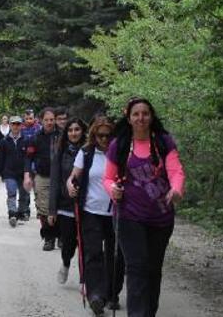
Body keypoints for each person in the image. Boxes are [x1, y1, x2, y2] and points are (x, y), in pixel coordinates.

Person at [104, 98, 185, 317]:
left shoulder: (163, 142)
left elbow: (176, 170)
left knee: (153, 270)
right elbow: (108, 178)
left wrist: (176, 189)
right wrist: (113, 189)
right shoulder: (119, 145)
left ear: (151, 116)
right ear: (128, 118)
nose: (141, 118)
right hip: (129, 215)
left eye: (145, 114)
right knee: (137, 267)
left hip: (161, 217)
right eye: (136, 114)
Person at [67, 116, 125, 315]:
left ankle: (112, 294)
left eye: (108, 136)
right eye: (100, 135)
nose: (104, 139)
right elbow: (74, 176)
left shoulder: (120, 153)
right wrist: (70, 185)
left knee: (115, 255)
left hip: (116, 212)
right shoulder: (86, 153)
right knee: (93, 253)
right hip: (91, 210)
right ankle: (96, 296)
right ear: (94, 135)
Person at [45, 118, 86, 289]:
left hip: (86, 205)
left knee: (87, 245)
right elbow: (54, 182)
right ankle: (66, 263)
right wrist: (52, 210)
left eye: (77, 129)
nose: (74, 133)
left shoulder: (89, 151)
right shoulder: (60, 152)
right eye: (70, 130)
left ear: (83, 131)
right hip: (66, 205)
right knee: (68, 242)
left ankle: (86, 279)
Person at [25, 107, 60, 251]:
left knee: (60, 208)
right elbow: (28, 157)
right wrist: (27, 175)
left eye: (52, 120)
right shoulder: (35, 138)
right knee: (44, 208)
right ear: (41, 121)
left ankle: (61, 236)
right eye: (46, 120)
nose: (49, 122)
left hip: (60, 177)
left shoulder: (62, 135)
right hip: (42, 176)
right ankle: (49, 238)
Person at [0, 115, 30, 227]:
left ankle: (22, 211)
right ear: (10, 125)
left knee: (24, 194)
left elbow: (29, 157)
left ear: (21, 126)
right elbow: (0, 158)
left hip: (23, 172)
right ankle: (12, 214)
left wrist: (29, 172)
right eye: (13, 124)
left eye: (18, 124)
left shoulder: (26, 140)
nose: (16, 126)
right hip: (9, 172)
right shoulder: (4, 141)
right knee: (11, 192)